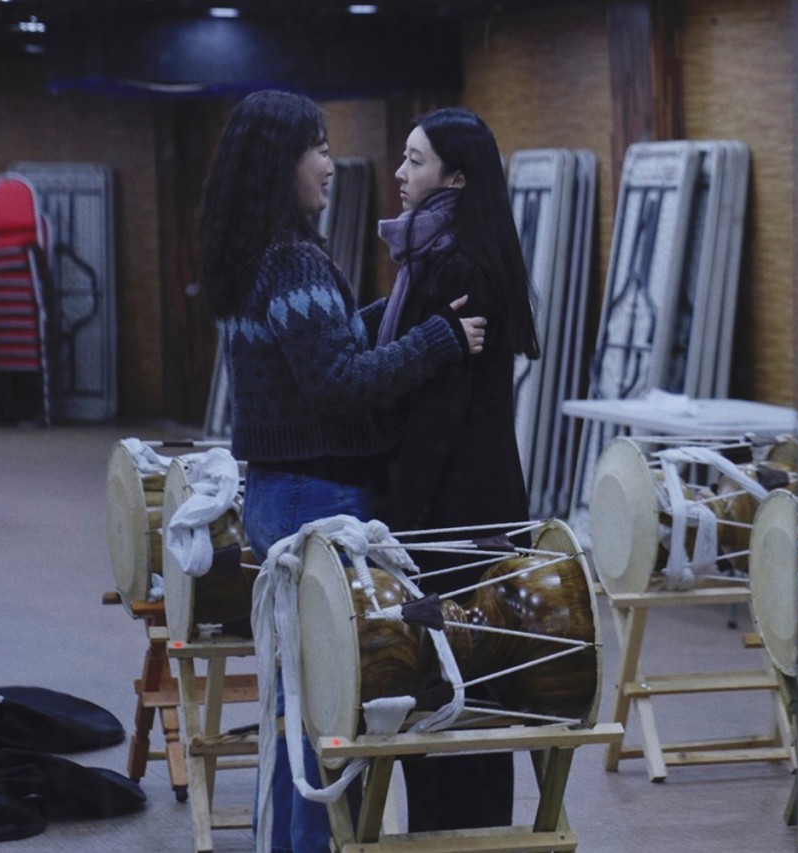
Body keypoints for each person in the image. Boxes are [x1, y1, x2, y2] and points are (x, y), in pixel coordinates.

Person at [195, 90, 485, 853]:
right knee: (329, 716)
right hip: (315, 498)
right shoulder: (294, 260)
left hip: (277, 493)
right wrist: (437, 339)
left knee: (297, 707)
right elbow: (338, 382)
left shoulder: (255, 254)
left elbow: (315, 351)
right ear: (281, 161)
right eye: (318, 148)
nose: (331, 162)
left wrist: (393, 313)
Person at [375, 106, 540, 833]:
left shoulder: (458, 265)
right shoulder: (439, 256)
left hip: (456, 514)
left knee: (456, 679)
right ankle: (456, 834)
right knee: (455, 679)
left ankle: (461, 837)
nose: (400, 173)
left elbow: (438, 417)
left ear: (457, 178)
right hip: (468, 504)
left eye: (415, 160)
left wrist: (397, 516)